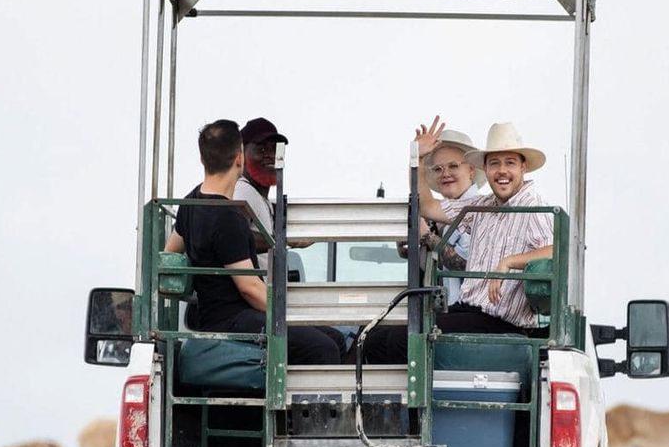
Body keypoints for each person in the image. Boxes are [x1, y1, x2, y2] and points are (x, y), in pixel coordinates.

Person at [365, 118, 553, 359]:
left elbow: (554, 250)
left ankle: (419, 395)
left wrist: (508, 262)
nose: (502, 171)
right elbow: (428, 206)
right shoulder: (481, 206)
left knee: (402, 340)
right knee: (375, 338)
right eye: (495, 163)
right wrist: (418, 160)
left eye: (510, 163)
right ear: (486, 169)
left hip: (500, 321)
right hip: (471, 311)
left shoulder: (533, 205)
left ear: (522, 168)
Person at [164, 120, 344, 364]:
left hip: (213, 315)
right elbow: (250, 288)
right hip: (233, 319)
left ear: (202, 159)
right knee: (325, 348)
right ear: (239, 158)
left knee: (334, 337)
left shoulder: (192, 201)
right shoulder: (229, 216)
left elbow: (170, 252)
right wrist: (294, 317)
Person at [399, 128, 483, 307]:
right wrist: (411, 249)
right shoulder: (439, 215)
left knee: (384, 335)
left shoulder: (480, 208)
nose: (445, 173)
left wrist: (426, 236)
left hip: (471, 312)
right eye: (438, 169)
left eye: (453, 166)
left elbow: (463, 263)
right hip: (444, 311)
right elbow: (436, 264)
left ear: (471, 171)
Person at [233, 117, 286, 268]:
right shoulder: (243, 191)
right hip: (253, 290)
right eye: (261, 149)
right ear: (241, 154)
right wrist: (283, 240)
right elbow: (235, 238)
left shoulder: (260, 197)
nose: (269, 155)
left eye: (274, 149)